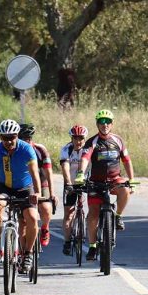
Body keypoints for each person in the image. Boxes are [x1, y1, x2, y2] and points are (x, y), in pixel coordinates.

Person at [0, 120, 41, 274]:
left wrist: (38, 192)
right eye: (4, 138)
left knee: (32, 217)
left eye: (11, 137)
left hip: (25, 188)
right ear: (0, 137)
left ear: (17, 135)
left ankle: (29, 253)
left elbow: (34, 172)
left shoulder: (26, 149)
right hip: (4, 186)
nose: (8, 141)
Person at [74, 110, 136, 261]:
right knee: (93, 215)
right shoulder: (92, 142)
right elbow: (85, 159)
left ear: (112, 124)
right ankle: (93, 246)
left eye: (107, 122)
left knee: (125, 190)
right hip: (96, 182)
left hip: (115, 179)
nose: (105, 125)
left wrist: (132, 179)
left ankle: (118, 217)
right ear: (97, 124)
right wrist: (81, 174)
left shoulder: (118, 140)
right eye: (101, 122)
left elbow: (127, 160)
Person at [19, 123, 55, 247]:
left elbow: (49, 172)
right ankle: (22, 251)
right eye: (23, 138)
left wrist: (52, 193)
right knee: (23, 220)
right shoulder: (15, 150)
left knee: (45, 207)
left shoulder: (40, 150)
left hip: (41, 180)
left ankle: (45, 227)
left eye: (29, 138)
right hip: (23, 184)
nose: (26, 141)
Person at [59, 125, 89, 255]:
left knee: (94, 208)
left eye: (81, 138)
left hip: (86, 182)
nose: (78, 141)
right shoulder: (66, 149)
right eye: (75, 138)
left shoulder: (89, 149)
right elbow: (65, 167)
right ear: (71, 138)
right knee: (69, 214)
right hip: (70, 182)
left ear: (84, 138)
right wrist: (68, 183)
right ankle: (67, 241)